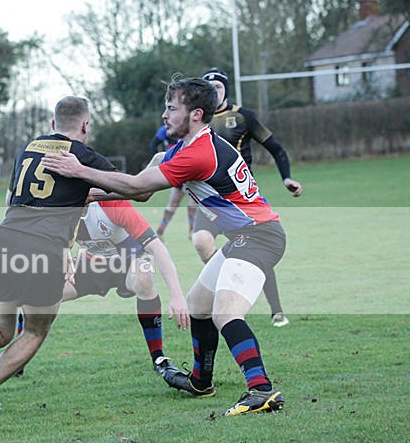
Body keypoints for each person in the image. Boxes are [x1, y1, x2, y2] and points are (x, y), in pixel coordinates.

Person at [41, 77, 286, 416]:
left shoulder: (198, 154)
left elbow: (137, 184)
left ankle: (261, 389)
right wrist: (87, 193)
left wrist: (79, 170)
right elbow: (139, 192)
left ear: (196, 114)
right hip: (245, 237)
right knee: (199, 305)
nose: (164, 114)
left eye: (172, 108)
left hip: (260, 236)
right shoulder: (182, 149)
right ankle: (201, 381)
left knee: (225, 313)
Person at [0, 96, 188, 410]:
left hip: (5, 243)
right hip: (45, 252)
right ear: (85, 126)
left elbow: (13, 199)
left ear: (52, 125)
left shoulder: (29, 148)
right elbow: (140, 191)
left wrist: (81, 193)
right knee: (35, 331)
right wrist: (94, 173)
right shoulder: (82, 155)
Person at [198, 68, 302, 327]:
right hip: (210, 200)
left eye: (218, 88)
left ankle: (276, 309)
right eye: (208, 89)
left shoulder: (244, 116)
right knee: (201, 242)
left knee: (254, 252)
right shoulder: (197, 121)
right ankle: (224, 293)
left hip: (241, 202)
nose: (214, 92)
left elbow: (276, 149)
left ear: (226, 90)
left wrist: (286, 178)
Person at [63, 200, 188, 374]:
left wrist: (177, 296)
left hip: (131, 259)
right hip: (91, 263)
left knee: (144, 278)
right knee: (39, 293)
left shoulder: (111, 203)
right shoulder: (59, 207)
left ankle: (158, 357)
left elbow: (157, 248)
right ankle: (21, 356)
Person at [150, 125, 197, 240]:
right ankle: (160, 231)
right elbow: (153, 145)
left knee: (190, 202)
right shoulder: (164, 130)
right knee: (176, 202)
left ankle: (192, 231)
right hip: (175, 169)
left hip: (186, 169)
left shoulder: (189, 129)